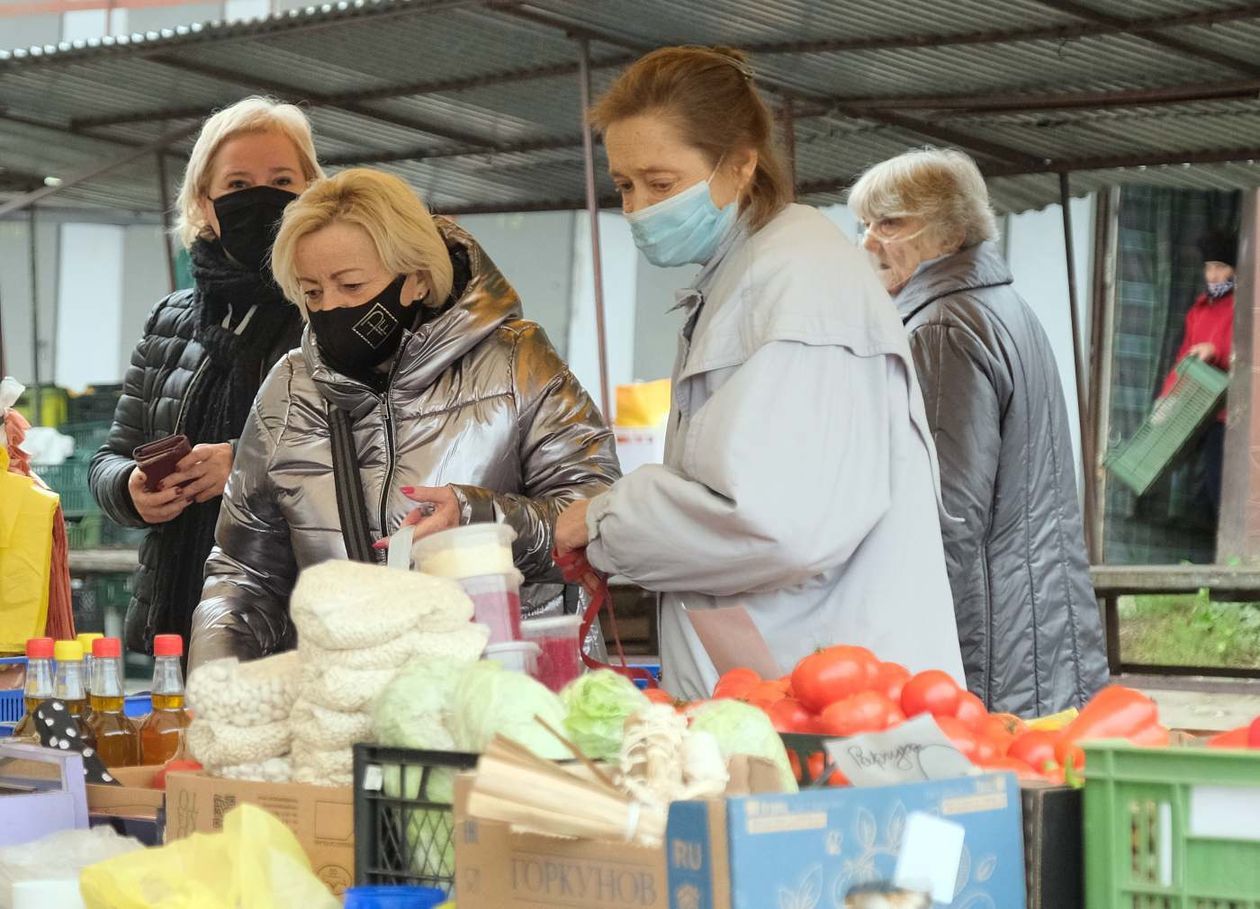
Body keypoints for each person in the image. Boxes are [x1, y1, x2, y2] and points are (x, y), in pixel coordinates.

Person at [552, 46, 964, 700]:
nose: (638, 209)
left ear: (740, 164)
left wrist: (605, 520)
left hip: (833, 701)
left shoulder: (799, 286)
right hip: (791, 688)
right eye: (625, 185)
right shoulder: (748, 279)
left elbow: (771, 520)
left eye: (661, 183)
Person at [187, 168, 619, 669]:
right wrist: (214, 677)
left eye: (350, 285)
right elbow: (243, 572)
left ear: (414, 278)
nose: (331, 308)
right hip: (350, 699)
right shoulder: (289, 389)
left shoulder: (515, 361)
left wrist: (484, 521)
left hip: (505, 692)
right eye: (311, 292)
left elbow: (601, 515)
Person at [850, 148, 1108, 717]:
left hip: (987, 639)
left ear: (952, 233)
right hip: (1036, 620)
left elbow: (945, 516)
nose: (869, 242)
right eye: (865, 225)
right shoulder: (1000, 304)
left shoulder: (942, 326)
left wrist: (885, 634)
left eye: (889, 223)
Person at [90, 97, 321, 655]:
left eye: (281, 179)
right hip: (177, 611)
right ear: (204, 202)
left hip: (288, 619)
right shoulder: (171, 318)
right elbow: (111, 456)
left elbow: (369, 457)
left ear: (311, 190)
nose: (260, 198)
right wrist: (130, 488)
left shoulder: (329, 308)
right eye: (237, 184)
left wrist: (243, 466)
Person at [1155, 228, 1236, 517]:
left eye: (1221, 267)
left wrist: (1215, 352)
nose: (1213, 275)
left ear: (1235, 270)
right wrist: (1167, 399)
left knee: (1222, 491)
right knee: (1206, 493)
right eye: (1209, 267)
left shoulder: (1245, 308)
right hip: (1201, 411)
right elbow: (1183, 361)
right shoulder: (1198, 311)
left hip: (1233, 414)